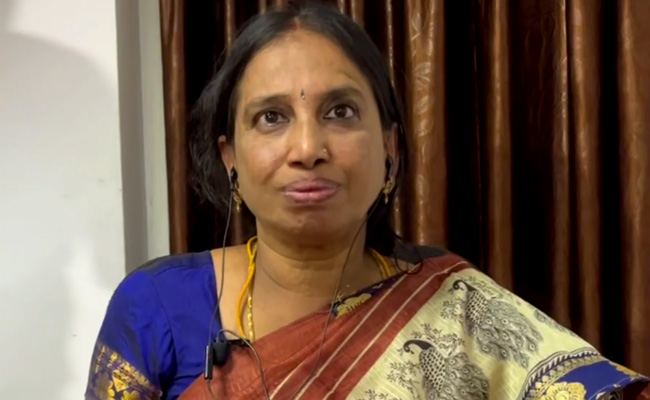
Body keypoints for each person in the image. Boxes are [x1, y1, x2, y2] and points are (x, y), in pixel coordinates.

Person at [85, 3, 650, 400]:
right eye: (272, 117)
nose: (307, 149)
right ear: (230, 157)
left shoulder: (458, 310)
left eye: (340, 112)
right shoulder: (157, 308)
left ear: (390, 149)